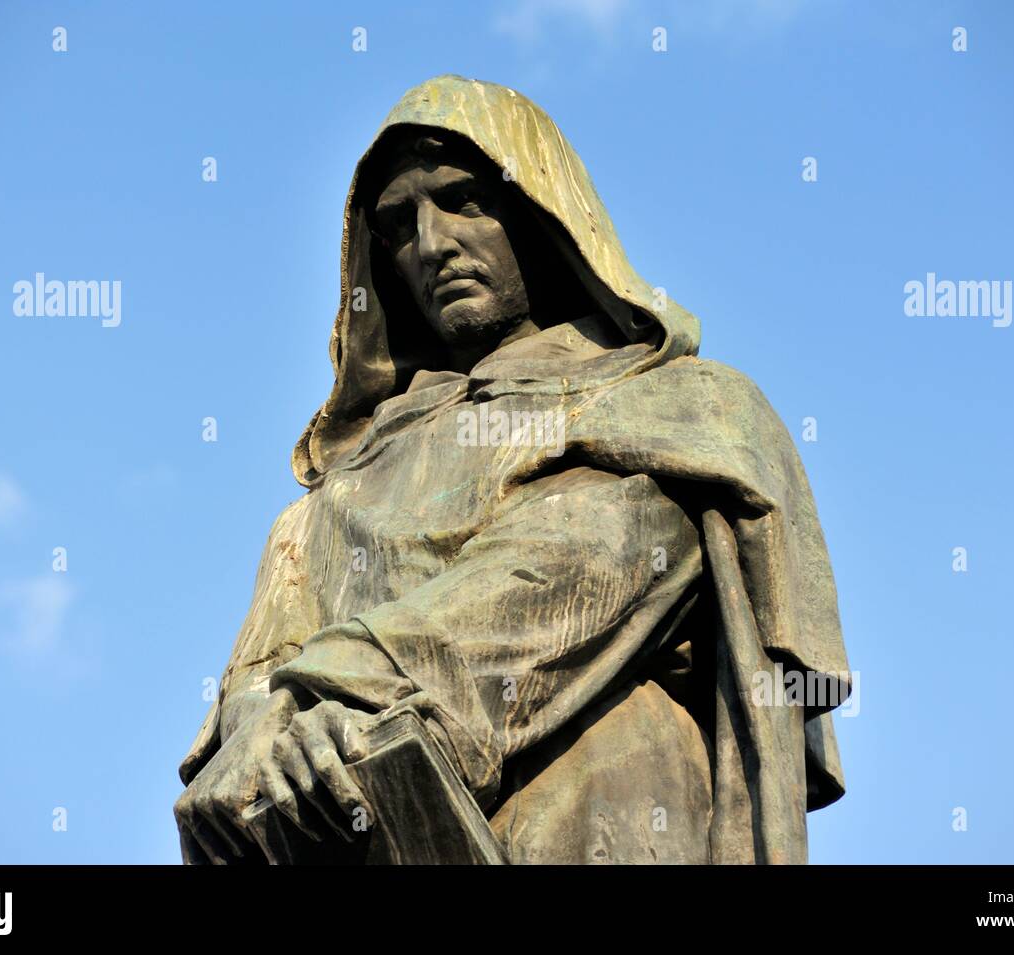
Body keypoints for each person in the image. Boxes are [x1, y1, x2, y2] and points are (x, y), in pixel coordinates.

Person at [174, 75, 850, 865]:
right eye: (398, 225)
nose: (431, 245)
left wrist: (327, 688)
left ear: (538, 209)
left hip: (604, 818)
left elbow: (575, 562)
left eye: (462, 199)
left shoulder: (683, 409)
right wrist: (261, 731)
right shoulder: (323, 507)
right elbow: (253, 682)